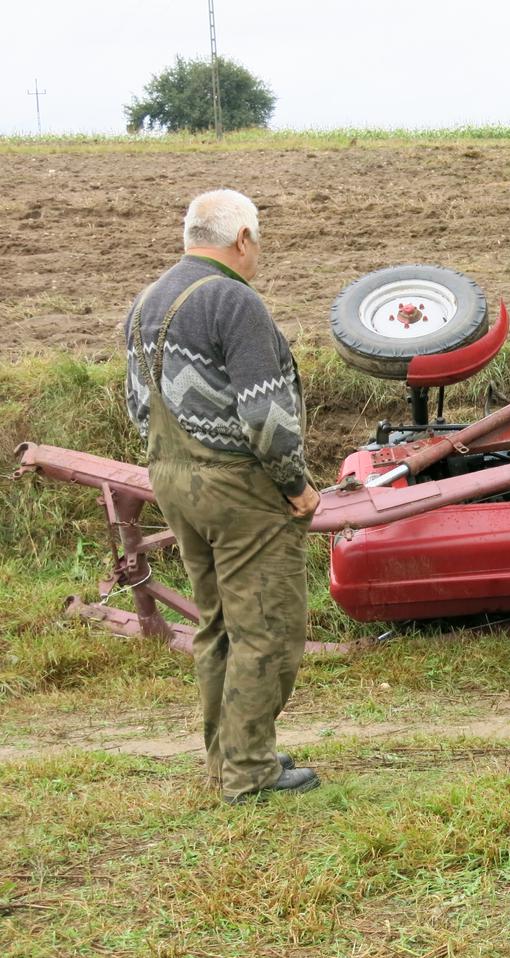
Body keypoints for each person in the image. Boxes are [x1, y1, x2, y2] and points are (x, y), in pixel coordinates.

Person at [124, 189, 322, 804]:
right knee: (268, 627)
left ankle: (232, 754)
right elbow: (265, 413)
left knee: (217, 624)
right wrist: (295, 484)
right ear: (241, 239)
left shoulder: (147, 300)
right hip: (239, 486)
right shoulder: (233, 300)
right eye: (257, 241)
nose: (258, 252)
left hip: (173, 479)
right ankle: (249, 773)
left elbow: (136, 405)